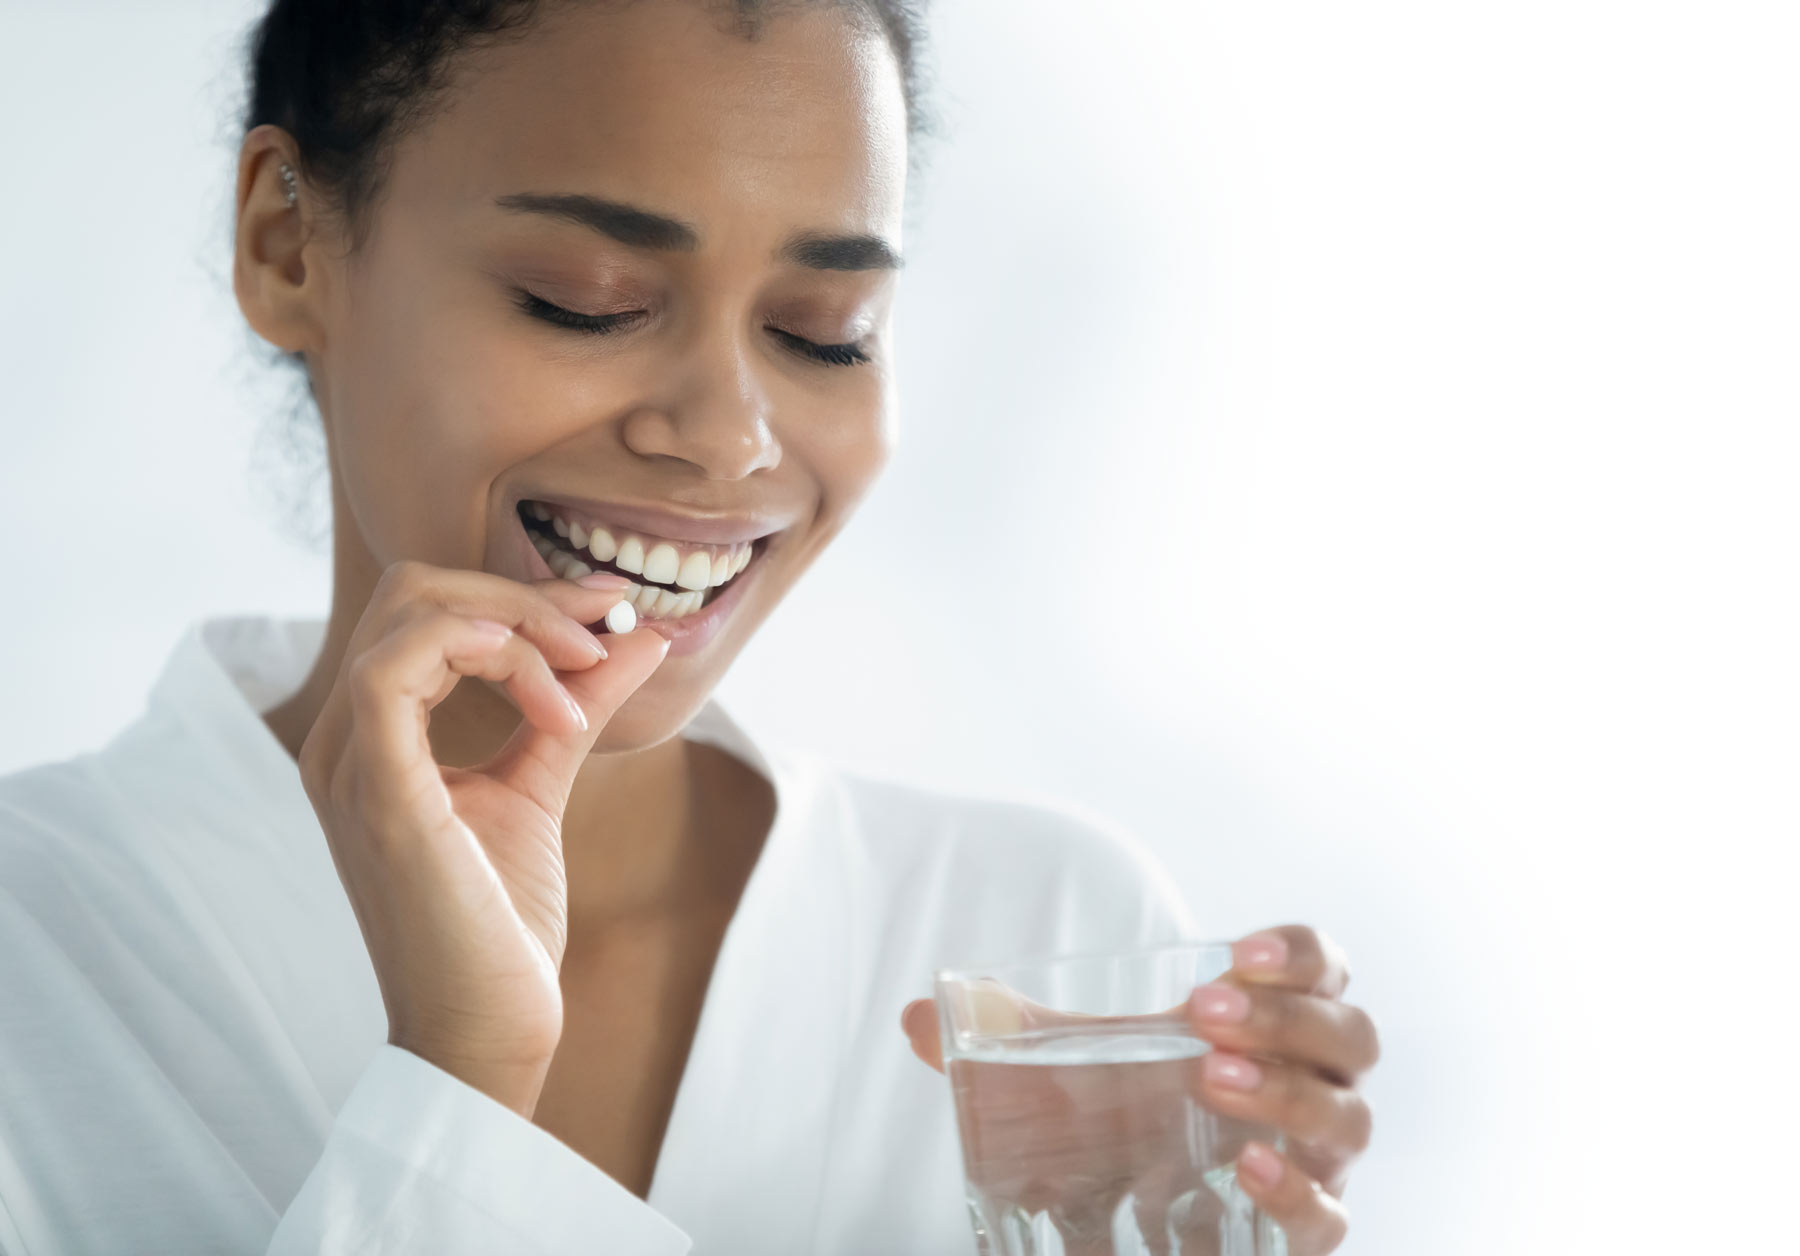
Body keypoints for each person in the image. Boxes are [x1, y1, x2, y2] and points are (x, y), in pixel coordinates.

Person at [0, 1, 1378, 1252]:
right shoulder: (33, 949)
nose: (727, 441)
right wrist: (458, 1076)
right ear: (286, 241)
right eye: (585, 302)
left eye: (829, 330)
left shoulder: (1039, 942)